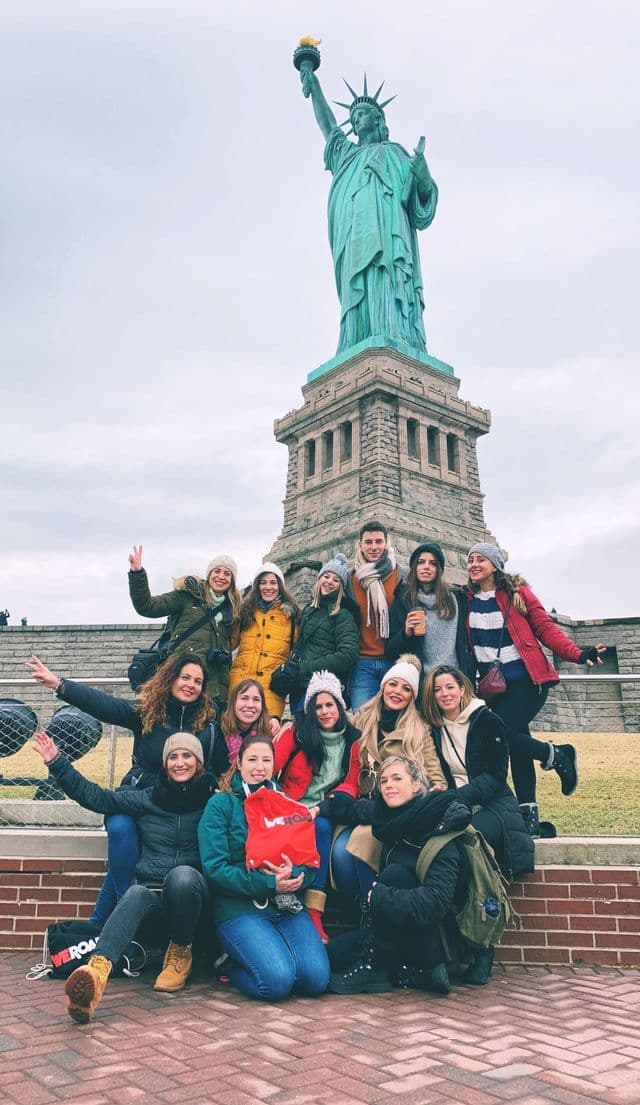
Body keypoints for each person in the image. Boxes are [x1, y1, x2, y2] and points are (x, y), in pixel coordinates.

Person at [25, 652, 226, 925]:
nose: (191, 685)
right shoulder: (148, 713)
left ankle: (100, 924)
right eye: (185, 677)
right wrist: (59, 684)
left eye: (198, 681)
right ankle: (127, 913)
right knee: (121, 830)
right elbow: (104, 705)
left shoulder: (210, 725)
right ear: (171, 678)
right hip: (140, 797)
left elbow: (220, 768)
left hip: (182, 803)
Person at [32, 730, 216, 1022]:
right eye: (173, 756)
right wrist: (57, 763)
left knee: (183, 876)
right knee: (136, 892)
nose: (180, 763)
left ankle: (181, 953)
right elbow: (97, 797)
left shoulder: (213, 800)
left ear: (199, 762)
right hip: (154, 906)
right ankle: (95, 975)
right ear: (164, 764)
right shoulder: (147, 798)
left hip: (193, 906)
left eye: (187, 755)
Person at [466, 543, 606, 835]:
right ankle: (528, 817)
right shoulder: (467, 599)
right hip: (494, 689)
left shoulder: (518, 595)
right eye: (471, 560)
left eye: (481, 559)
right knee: (517, 743)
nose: (474, 564)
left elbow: (545, 629)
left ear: (495, 565)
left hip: (527, 682)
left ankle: (557, 755)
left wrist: (579, 653)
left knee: (501, 736)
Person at [298, 63, 438, 356]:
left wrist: (422, 174)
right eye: (352, 115)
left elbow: (420, 209)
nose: (356, 119)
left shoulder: (395, 153)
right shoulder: (346, 156)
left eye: (361, 114)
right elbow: (329, 128)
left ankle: (394, 334)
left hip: (388, 234)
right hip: (354, 238)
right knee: (357, 289)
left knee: (385, 279)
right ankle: (356, 339)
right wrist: (315, 90)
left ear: (378, 119)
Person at [198, 734, 330, 1001]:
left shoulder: (288, 805)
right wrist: (268, 883)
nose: (260, 767)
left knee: (316, 981)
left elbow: (312, 864)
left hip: (286, 905)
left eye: (266, 760)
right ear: (239, 763)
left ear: (274, 765)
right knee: (276, 983)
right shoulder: (221, 805)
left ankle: (268, 955)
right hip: (240, 909)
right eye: (253, 760)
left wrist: (292, 876)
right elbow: (215, 868)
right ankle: (230, 963)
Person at [327, 756, 473, 996]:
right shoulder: (394, 820)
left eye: (397, 778)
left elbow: (435, 903)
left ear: (416, 785)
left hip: (435, 936)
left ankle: (379, 969)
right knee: (333, 955)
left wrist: (380, 897)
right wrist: (326, 806)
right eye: (384, 781)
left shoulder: (437, 826)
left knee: (394, 873)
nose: (388, 785)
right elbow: (361, 810)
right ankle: (398, 969)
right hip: (396, 929)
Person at [324, 654, 447, 904]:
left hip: (393, 811)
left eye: (406, 689)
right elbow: (327, 724)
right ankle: (362, 908)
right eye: (393, 684)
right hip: (358, 804)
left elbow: (435, 777)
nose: (397, 692)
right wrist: (289, 725)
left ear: (412, 696)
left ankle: (370, 910)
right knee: (338, 853)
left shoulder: (418, 728)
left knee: (354, 850)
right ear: (383, 686)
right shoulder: (360, 717)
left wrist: (426, 796)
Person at [274, 670, 361, 942]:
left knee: (321, 828)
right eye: (318, 706)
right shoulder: (298, 732)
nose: (324, 712)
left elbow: (351, 784)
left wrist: (322, 808)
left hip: (326, 812)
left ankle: (314, 909)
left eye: (330, 705)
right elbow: (272, 764)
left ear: (340, 706)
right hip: (290, 807)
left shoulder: (353, 739)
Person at [128, 546, 241, 706]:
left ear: (232, 581)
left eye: (227, 573)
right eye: (217, 571)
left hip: (213, 692)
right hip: (180, 683)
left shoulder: (233, 611)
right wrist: (137, 573)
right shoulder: (186, 596)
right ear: (209, 574)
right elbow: (147, 606)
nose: (221, 576)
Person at [386, 541, 474, 679]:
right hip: (422, 682)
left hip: (455, 679)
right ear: (414, 567)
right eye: (421, 562)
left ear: (439, 569)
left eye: (433, 563)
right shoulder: (403, 599)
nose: (426, 567)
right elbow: (390, 650)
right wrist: (406, 634)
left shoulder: (458, 598)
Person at [228, 562, 300, 727]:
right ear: (257, 586)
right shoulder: (244, 612)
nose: (268, 587)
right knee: (233, 742)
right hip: (240, 684)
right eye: (263, 582)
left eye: (273, 582)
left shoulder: (292, 616)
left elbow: (299, 648)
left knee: (263, 743)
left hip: (271, 689)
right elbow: (229, 644)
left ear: (280, 586)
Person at [292, 553, 359, 709]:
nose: (329, 582)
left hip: (322, 686)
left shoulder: (343, 614)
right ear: (319, 578)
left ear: (341, 588)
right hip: (299, 683)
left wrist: (308, 667)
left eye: (336, 580)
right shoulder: (310, 609)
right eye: (327, 577)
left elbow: (348, 654)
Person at [347, 521, 401, 709]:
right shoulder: (349, 578)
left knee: (395, 723)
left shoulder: (402, 574)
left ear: (387, 543)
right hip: (362, 663)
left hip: (394, 660)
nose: (374, 547)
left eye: (379, 541)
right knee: (361, 723)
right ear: (360, 545)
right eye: (368, 542)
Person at [216, 678, 278, 757]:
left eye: (256, 700)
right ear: (233, 702)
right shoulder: (217, 732)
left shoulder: (271, 734)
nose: (250, 705)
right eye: (244, 698)